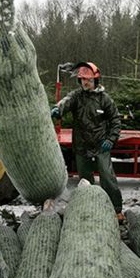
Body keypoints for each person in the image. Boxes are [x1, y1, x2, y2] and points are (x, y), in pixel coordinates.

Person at [51, 61, 124, 222]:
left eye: (88, 80)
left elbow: (116, 121)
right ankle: (89, 208)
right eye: (83, 80)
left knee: (107, 177)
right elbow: (66, 101)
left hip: (101, 146)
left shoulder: (104, 99)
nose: (85, 82)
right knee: (84, 181)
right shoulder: (77, 96)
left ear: (95, 81)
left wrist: (111, 139)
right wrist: (58, 109)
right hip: (81, 146)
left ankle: (117, 210)